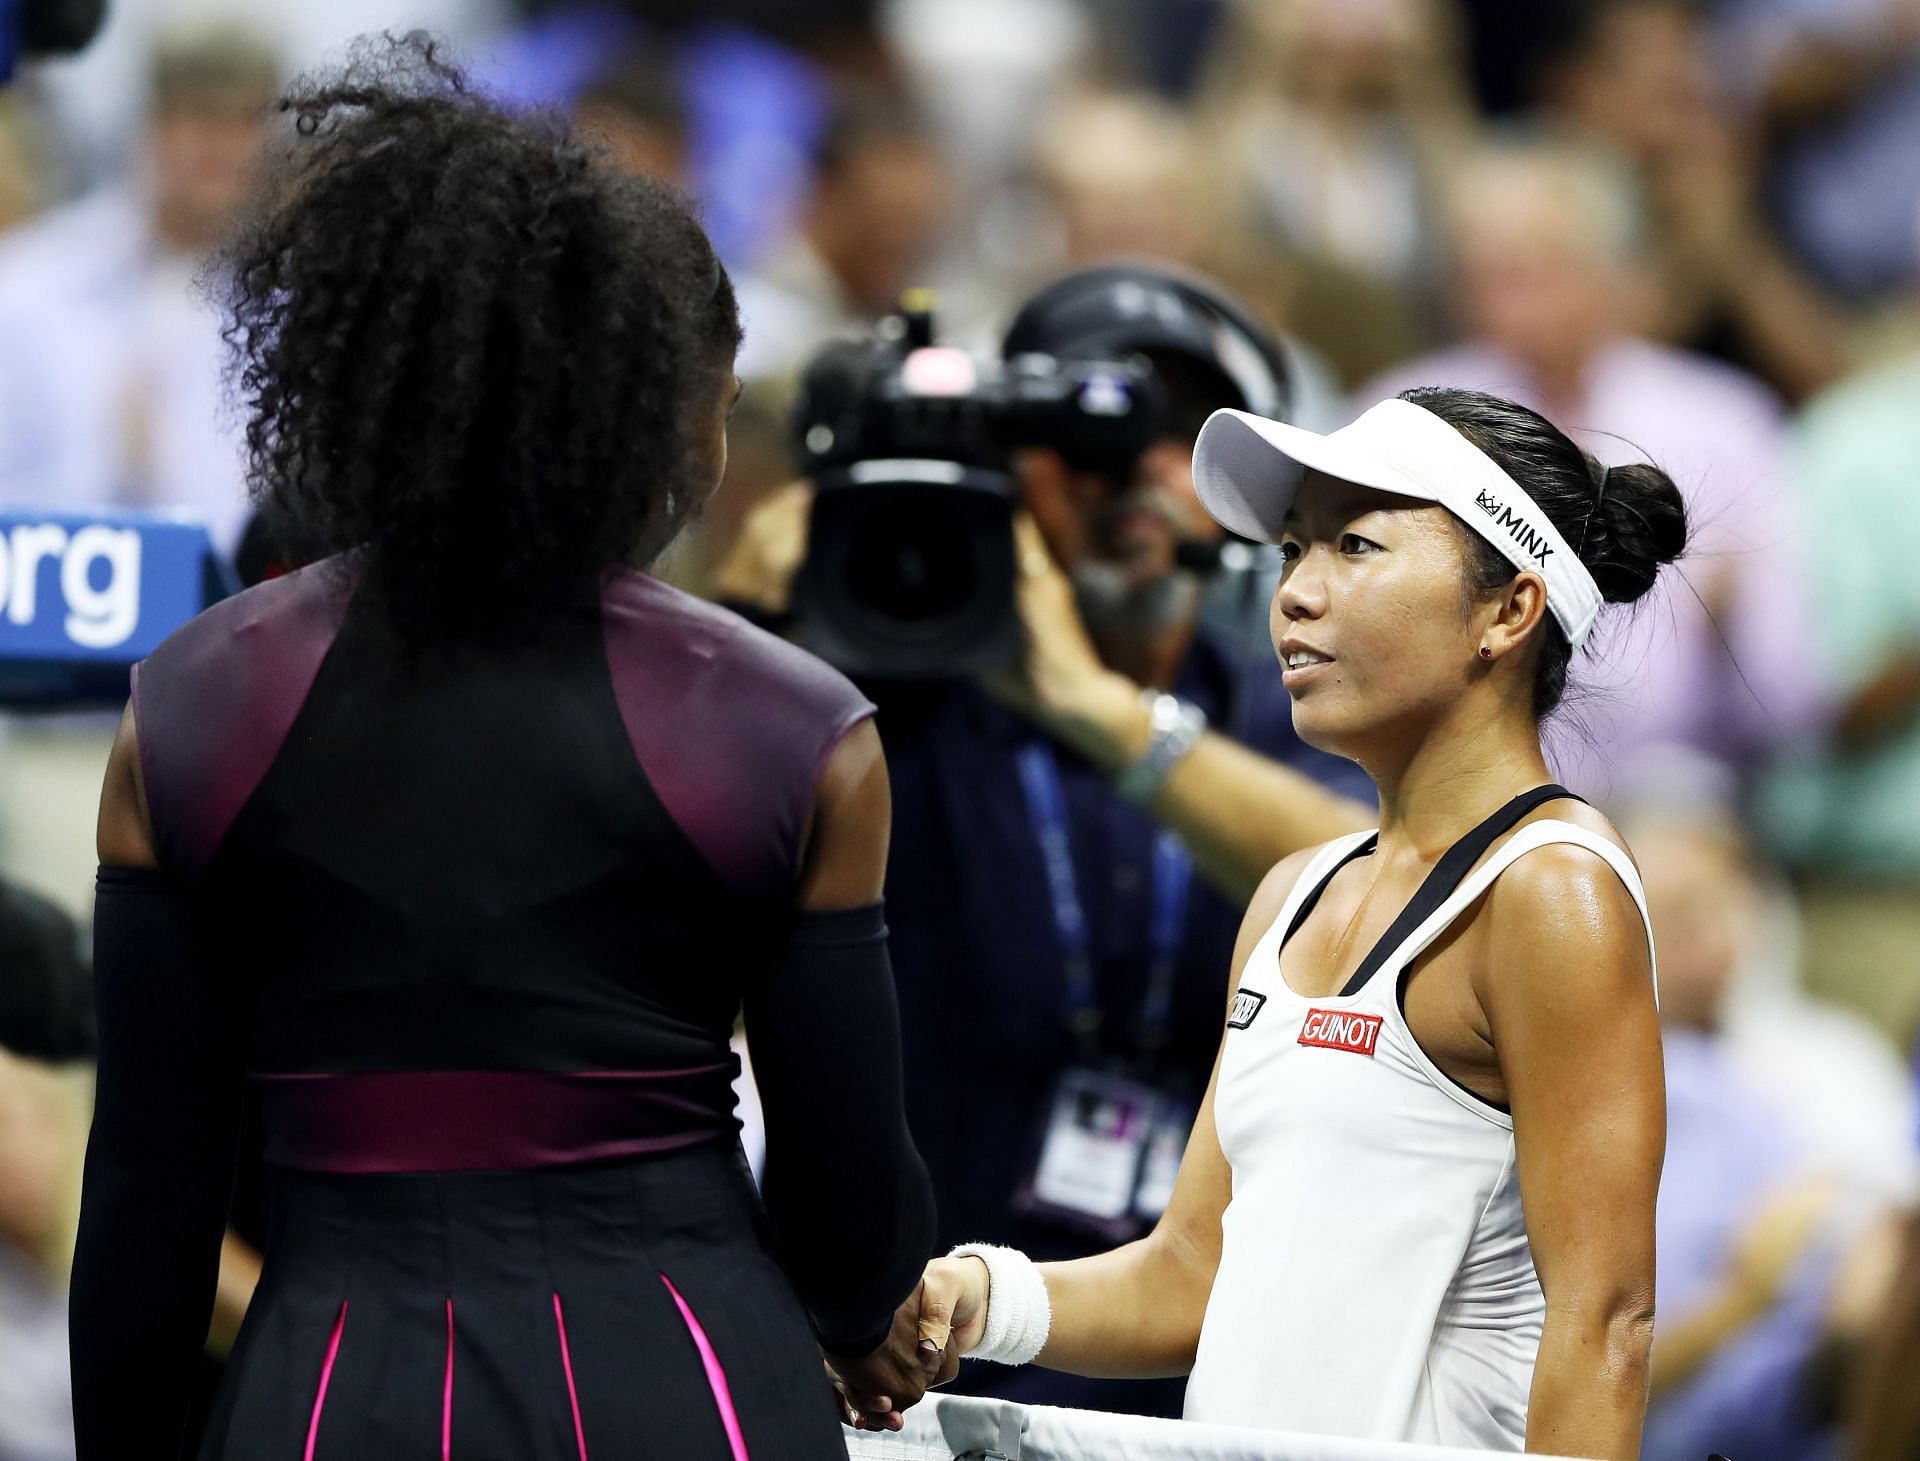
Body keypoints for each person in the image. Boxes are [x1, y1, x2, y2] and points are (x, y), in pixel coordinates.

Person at [68, 37, 936, 1459]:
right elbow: (853, 1242)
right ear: (659, 414)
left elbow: (149, 1208)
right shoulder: (798, 730)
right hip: (696, 1387)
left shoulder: (188, 707)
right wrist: (859, 1320)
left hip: (334, 1392)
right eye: (716, 412)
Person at [856, 386, 1681, 1457]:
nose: (1295, 591)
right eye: (1294, 549)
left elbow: (1606, 1324)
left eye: (1354, 544)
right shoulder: (1291, 893)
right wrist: (978, 1294)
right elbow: (1195, 1273)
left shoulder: (1552, 895)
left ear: (1508, 612)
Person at [722, 263, 1372, 1419]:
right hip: (911, 1354)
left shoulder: (1290, 691)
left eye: (1182, 433)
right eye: (1089, 437)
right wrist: (752, 614)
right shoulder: (890, 689)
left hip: (1200, 1366)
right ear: (1009, 466)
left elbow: (1381, 880)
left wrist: (1094, 708)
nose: (1139, 474)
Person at [1362, 138, 1824, 802]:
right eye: (1482, 273)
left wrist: (1734, 613)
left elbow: (1793, 698)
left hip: (1676, 787)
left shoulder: (1724, 419)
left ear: (1611, 274)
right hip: (1452, 778)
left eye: (1534, 269)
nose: (1501, 299)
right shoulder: (1401, 414)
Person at [0, 21, 279, 553]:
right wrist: (108, 465)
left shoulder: (302, 310)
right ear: (150, 125)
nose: (214, 151)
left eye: (239, 123)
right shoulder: (28, 286)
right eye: (194, 118)